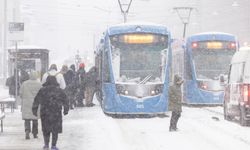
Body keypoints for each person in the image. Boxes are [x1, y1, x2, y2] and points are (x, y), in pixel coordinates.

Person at [32, 76, 69, 150]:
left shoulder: (42, 90)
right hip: (56, 112)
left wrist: (34, 110)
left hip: (45, 112)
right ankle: (53, 145)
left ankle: (46, 145)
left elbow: (36, 100)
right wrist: (65, 110)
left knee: (46, 129)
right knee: (55, 129)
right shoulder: (59, 90)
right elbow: (66, 100)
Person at [20, 71, 42, 139]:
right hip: (36, 103)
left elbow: (21, 93)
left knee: (27, 118)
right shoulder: (39, 84)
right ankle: (35, 133)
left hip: (27, 103)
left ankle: (27, 131)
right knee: (35, 119)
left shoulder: (25, 83)